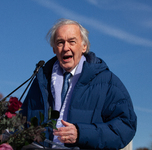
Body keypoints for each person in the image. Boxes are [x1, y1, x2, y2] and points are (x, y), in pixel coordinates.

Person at [21, 19, 137, 149]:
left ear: (84, 47)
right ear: (54, 49)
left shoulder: (107, 82)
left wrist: (81, 133)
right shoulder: (40, 81)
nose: (66, 48)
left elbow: (126, 126)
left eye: (72, 41)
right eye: (60, 42)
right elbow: (21, 123)